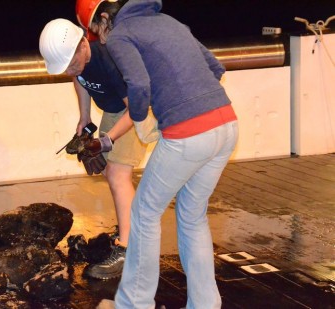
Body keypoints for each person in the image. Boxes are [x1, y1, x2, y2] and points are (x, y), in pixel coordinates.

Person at [77, 0, 239, 308]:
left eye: (96, 31)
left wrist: (141, 119)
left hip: (189, 134)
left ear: (105, 20)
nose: (101, 39)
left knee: (144, 214)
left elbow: (138, 85)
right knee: (192, 216)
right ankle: (206, 304)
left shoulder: (123, 34)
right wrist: (193, 101)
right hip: (227, 123)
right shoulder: (170, 22)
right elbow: (215, 66)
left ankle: (133, 304)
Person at [39, 17, 149, 280]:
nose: (68, 71)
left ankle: (129, 248)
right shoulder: (78, 64)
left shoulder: (109, 61)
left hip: (140, 111)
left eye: (70, 64)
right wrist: (84, 117)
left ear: (82, 46)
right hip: (115, 111)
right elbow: (79, 80)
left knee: (117, 174)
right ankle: (129, 229)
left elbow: (137, 109)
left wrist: (106, 141)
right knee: (107, 171)